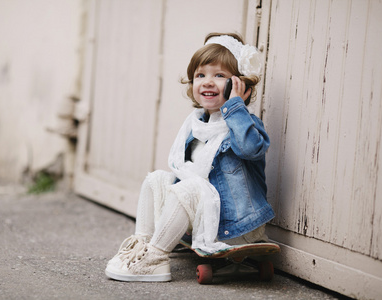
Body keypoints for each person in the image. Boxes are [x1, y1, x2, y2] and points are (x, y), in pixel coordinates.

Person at [105, 32, 275, 282]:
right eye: (200, 75)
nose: (207, 82)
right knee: (157, 179)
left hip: (238, 224)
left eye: (219, 76)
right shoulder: (196, 126)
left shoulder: (245, 124)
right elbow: (189, 172)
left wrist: (235, 107)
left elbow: (250, 149)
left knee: (189, 190)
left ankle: (155, 259)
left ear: (241, 87)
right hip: (208, 217)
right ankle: (142, 246)